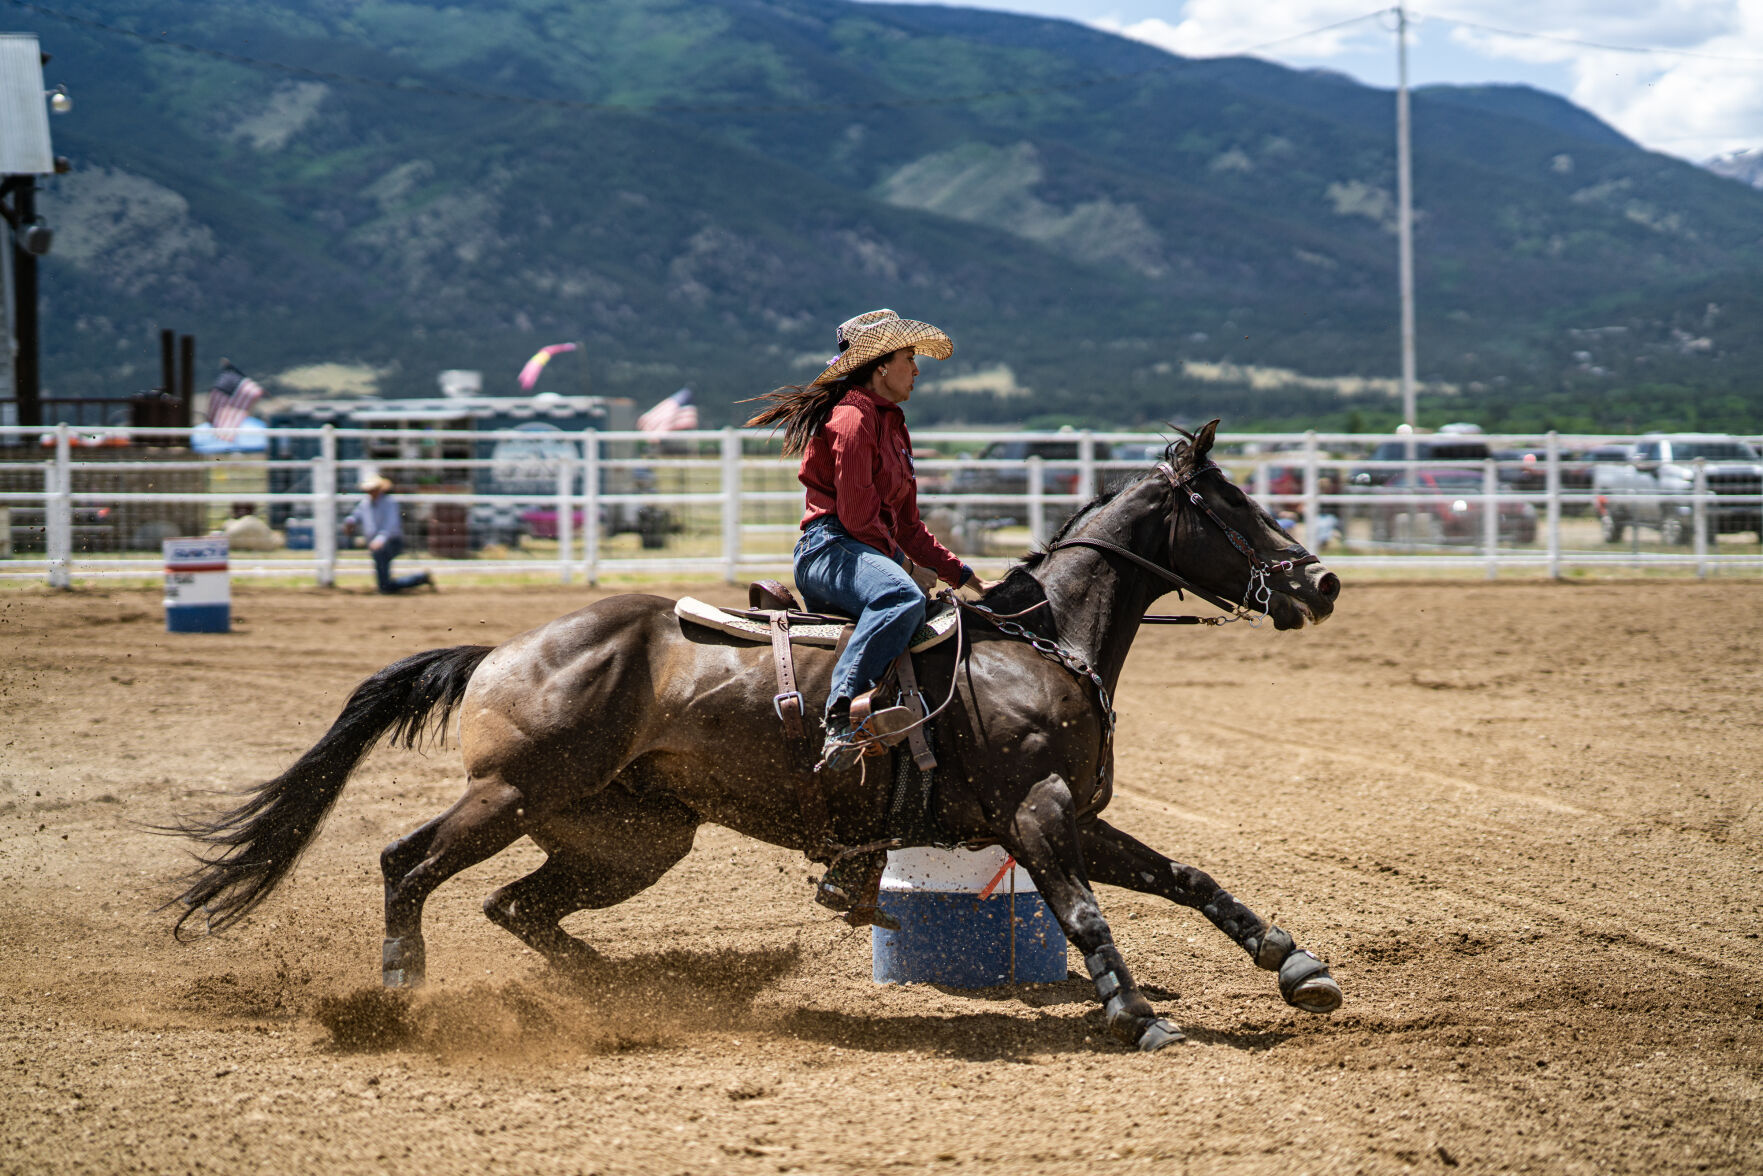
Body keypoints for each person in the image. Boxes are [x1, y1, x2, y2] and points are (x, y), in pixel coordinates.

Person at [746, 309, 1001, 921]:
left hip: (864, 550)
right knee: (900, 600)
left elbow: (908, 525)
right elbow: (860, 517)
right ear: (881, 365)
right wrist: (905, 572)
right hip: (832, 549)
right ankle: (839, 713)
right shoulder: (853, 419)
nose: (916, 369)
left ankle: (860, 859)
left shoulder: (892, 422)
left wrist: (964, 578)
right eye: (909, 359)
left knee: (920, 650)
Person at [342, 473, 435, 594]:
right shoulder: (364, 504)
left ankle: (406, 582)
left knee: (381, 562)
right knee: (384, 581)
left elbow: (390, 526)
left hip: (392, 541)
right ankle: (418, 578)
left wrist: (379, 540)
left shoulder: (390, 503)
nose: (370, 492)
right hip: (378, 544)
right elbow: (355, 516)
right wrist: (349, 522)